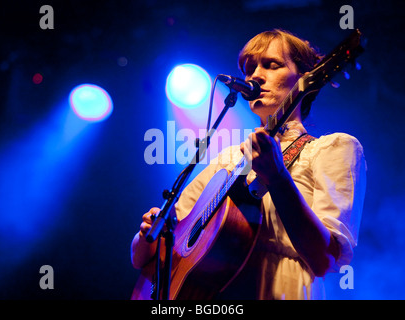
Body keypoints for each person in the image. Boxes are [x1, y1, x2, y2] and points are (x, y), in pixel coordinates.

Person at [131, 29, 367, 300]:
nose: (254, 75)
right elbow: (151, 254)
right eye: (249, 68)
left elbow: (325, 260)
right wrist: (148, 237)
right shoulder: (228, 160)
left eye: (271, 64)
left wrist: (278, 177)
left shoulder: (333, 148)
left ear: (304, 77)